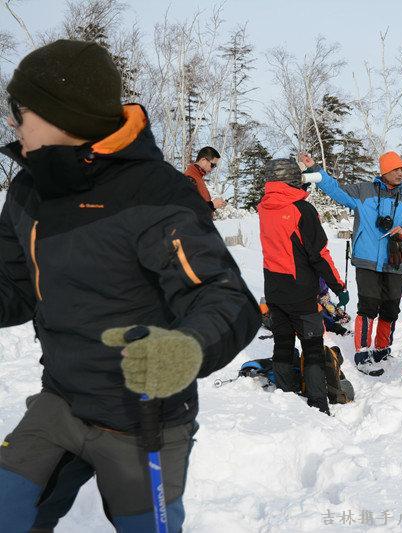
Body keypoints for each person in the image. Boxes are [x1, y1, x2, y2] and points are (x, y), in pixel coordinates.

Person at [0, 40, 260, 531]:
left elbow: (223, 295)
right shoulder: (28, 188)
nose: (13, 123)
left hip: (144, 419)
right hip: (61, 401)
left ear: (60, 115)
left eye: (21, 111)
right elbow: (13, 287)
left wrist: (187, 348)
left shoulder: (156, 193)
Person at [305, 151, 402, 374]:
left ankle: (382, 348)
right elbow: (336, 190)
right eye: (396, 169)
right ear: (384, 171)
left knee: (391, 309)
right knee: (368, 307)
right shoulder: (363, 191)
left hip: (394, 260)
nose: (400, 173)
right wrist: (316, 170)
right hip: (367, 260)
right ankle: (363, 351)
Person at [257, 158, 348, 414]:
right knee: (313, 347)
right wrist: (338, 286)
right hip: (300, 291)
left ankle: (285, 397)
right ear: (293, 180)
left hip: (274, 288)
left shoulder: (264, 207)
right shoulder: (301, 210)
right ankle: (318, 405)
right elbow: (319, 254)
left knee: (283, 343)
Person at [184, 146, 227, 212]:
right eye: (213, 165)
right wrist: (212, 205)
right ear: (203, 160)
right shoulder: (190, 177)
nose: (213, 169)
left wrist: (215, 205)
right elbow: (188, 208)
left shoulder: (198, 177)